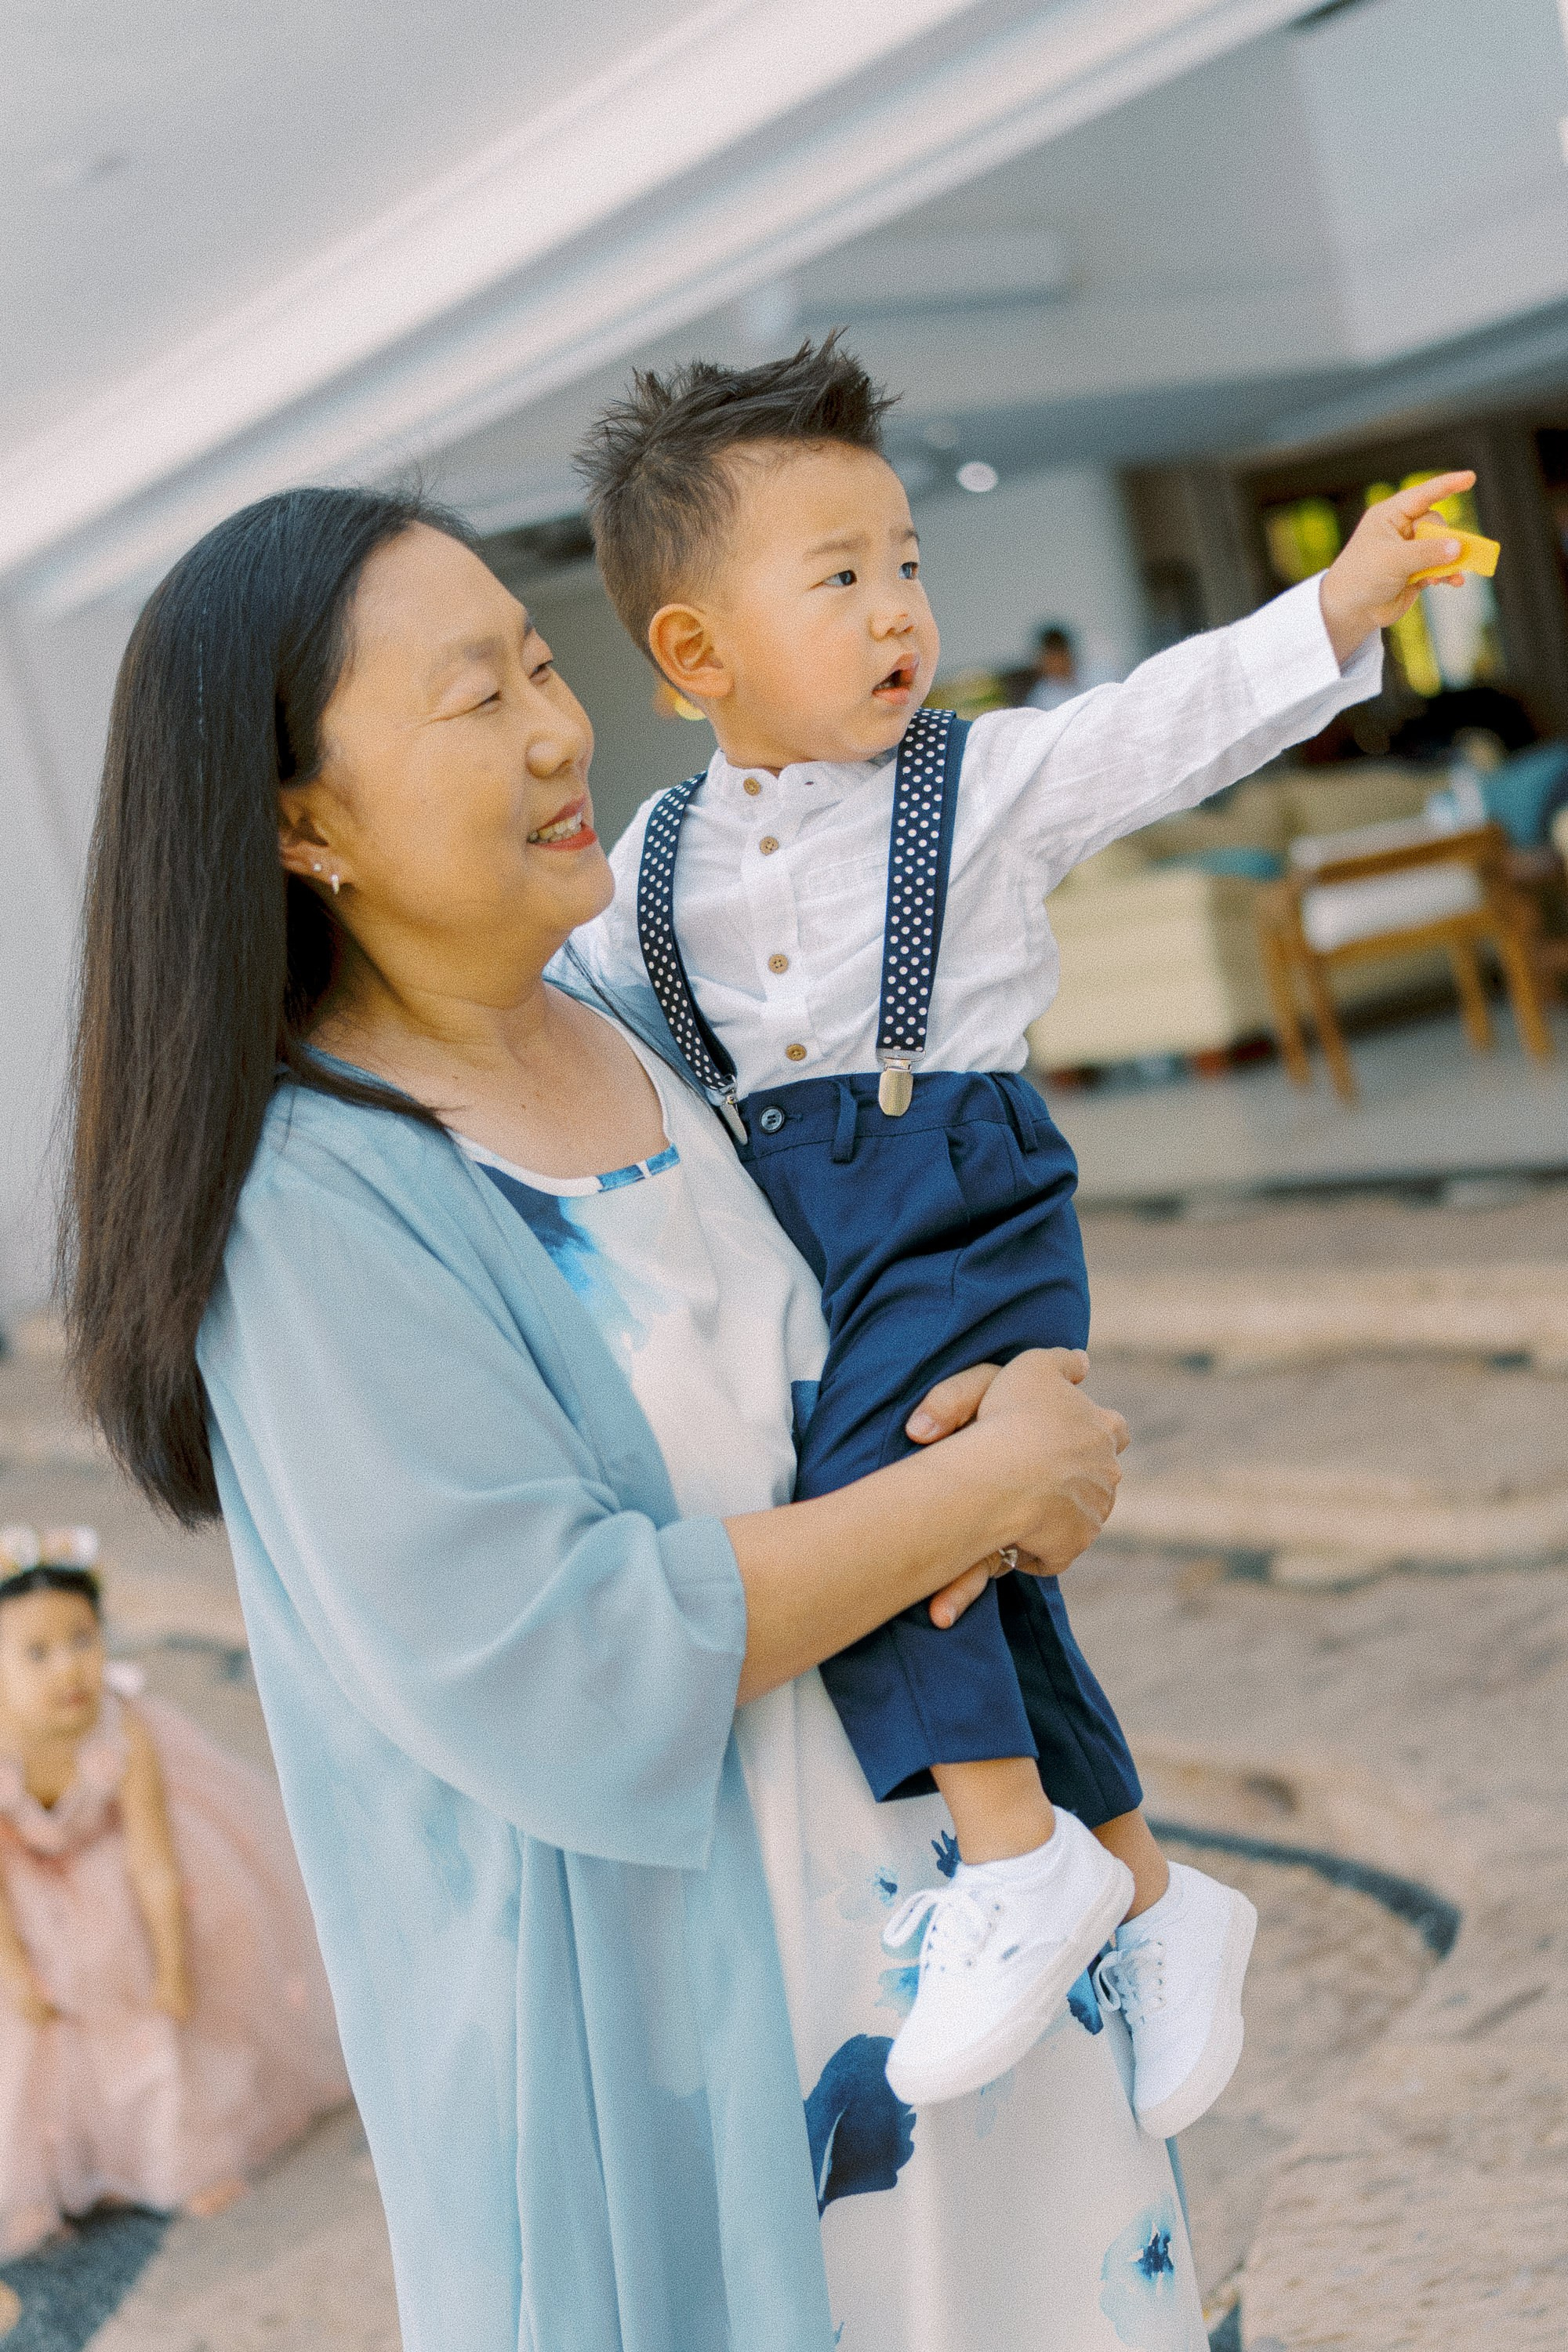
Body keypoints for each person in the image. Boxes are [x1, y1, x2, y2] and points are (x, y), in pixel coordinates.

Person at [60, 486, 1189, 2351]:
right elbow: (560, 1655)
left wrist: (1011, 1424)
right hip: (724, 2090)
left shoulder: (641, 1019)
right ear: (298, 821)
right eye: (468, 697)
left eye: (532, 661)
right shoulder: (317, 1200)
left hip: (970, 1960)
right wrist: (970, 1490)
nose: (557, 721)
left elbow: (874, 1341)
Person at [569, 337, 1477, 2120]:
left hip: (956, 1197)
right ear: (693, 652)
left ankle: (1012, 1850)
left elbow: (1160, 724)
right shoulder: (644, 865)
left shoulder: (971, 785)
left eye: (904, 559)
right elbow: (545, 1002)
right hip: (810, 1242)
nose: (898, 603)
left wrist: (1342, 597)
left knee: (873, 1510)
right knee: (958, 1554)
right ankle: (1141, 1881)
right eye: (838, 576)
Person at [0, 1527, 347, 2255]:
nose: (70, 1669)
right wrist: (16, 1968)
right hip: (24, 1893)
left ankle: (164, 2153)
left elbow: (156, 1863)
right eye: (36, 1653)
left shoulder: (122, 1729)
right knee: (37, 2031)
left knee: (147, 1994)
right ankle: (47, 2173)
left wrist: (171, 1963)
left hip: (119, 1866)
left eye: (83, 1640)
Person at [1025, 623, 1081, 713]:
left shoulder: (1096, 676)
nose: (1058, 662)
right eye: (1052, 658)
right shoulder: (1040, 698)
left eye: (1060, 655)